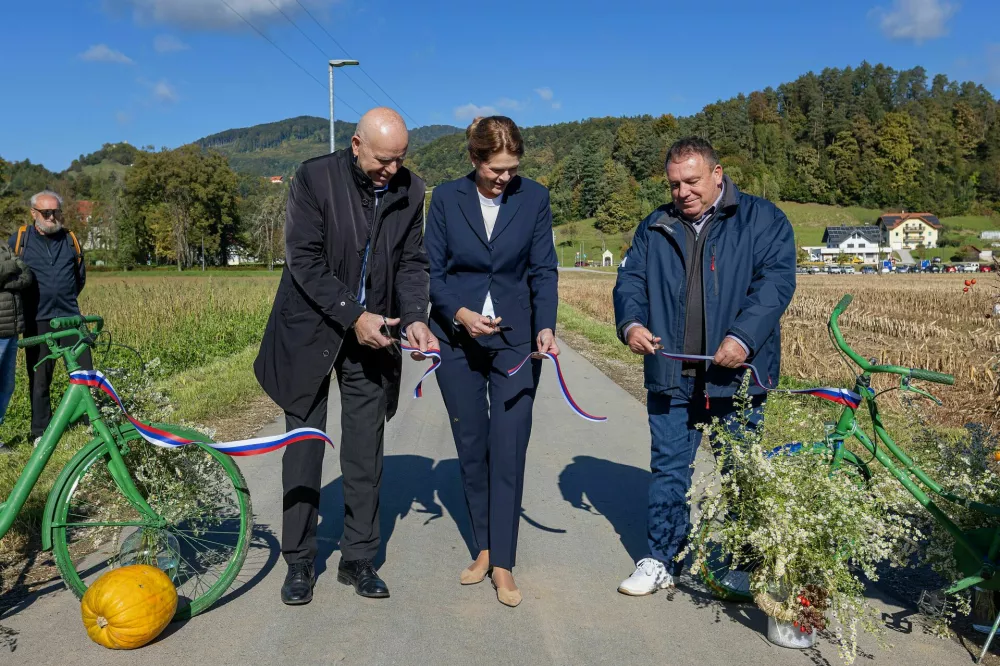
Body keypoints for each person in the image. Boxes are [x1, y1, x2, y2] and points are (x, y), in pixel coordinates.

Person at [254, 107, 438, 606]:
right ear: (356, 145)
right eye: (383, 159)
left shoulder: (411, 189)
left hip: (372, 336)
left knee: (364, 450)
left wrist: (417, 314)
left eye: (400, 159)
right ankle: (299, 561)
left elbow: (412, 261)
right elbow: (304, 259)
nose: (391, 170)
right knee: (304, 446)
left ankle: (358, 558)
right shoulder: (314, 177)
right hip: (311, 330)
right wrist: (352, 314)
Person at [612, 137, 795, 596]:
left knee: (741, 471)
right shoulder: (654, 225)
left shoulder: (763, 220)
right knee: (669, 470)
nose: (682, 192)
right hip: (670, 373)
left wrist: (743, 338)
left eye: (692, 181)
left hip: (736, 377)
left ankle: (745, 564)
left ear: (718, 174)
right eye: (674, 184)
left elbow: (775, 284)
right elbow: (630, 280)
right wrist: (631, 323)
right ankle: (659, 559)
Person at [424, 116, 559, 607]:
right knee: (472, 445)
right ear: (474, 160)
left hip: (516, 342)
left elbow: (543, 268)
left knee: (509, 446)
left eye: (512, 168)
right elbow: (431, 271)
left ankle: (503, 561)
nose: (505, 178)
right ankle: (482, 547)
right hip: (457, 342)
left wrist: (546, 325)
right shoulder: (445, 198)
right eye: (496, 169)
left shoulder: (535, 198)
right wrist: (457, 313)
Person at [9, 190, 91, 445]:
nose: (52, 217)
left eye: (56, 212)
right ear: (34, 213)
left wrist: (65, 300)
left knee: (85, 374)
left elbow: (79, 278)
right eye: (47, 212)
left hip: (71, 318)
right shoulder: (19, 240)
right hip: (38, 319)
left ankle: (92, 423)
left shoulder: (70, 240)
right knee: (40, 379)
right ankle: (40, 431)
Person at [0, 239, 34, 451]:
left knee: (6, 386)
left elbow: (26, 276)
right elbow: (17, 268)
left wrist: (4, 279)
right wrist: (11, 266)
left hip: (11, 329)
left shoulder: (3, 246)